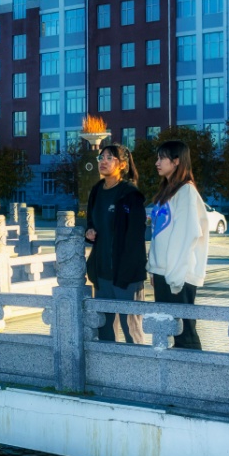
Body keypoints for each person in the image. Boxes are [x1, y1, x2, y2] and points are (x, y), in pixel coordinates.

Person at [147, 140, 210, 350]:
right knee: (168, 329)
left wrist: (174, 277)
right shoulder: (168, 191)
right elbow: (159, 234)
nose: (157, 162)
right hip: (164, 273)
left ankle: (194, 369)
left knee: (185, 335)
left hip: (178, 275)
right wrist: (155, 269)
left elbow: (186, 235)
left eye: (161, 158)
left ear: (176, 161)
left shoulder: (186, 192)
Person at [83, 144, 147, 344]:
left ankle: (137, 363)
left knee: (131, 331)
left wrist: (128, 272)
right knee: (105, 331)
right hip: (102, 273)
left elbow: (136, 236)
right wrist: (89, 231)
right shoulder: (96, 191)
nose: (103, 161)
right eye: (101, 157)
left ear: (122, 165)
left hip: (126, 275)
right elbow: (91, 222)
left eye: (109, 158)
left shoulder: (130, 195)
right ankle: (108, 364)